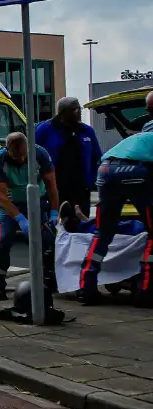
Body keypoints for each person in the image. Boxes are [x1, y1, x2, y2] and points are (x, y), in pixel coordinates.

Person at [77, 90, 153, 307]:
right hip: (135, 173)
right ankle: (146, 291)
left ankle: (86, 287)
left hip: (106, 169)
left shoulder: (144, 131)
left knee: (103, 232)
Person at [0, 132, 60, 301]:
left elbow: (52, 186)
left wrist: (54, 213)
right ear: (7, 150)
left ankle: (47, 282)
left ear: (28, 148)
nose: (20, 159)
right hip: (11, 206)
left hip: (37, 202)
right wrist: (20, 219)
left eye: (23, 155)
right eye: (15, 155)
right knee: (2, 240)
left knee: (45, 242)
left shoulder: (40, 154)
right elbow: (1, 196)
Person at [36, 96, 102, 218]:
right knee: (60, 223)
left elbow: (97, 156)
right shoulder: (45, 130)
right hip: (55, 187)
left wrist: (92, 179)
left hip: (81, 187)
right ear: (64, 112)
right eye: (76, 109)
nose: (79, 112)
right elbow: (33, 155)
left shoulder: (86, 131)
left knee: (82, 221)